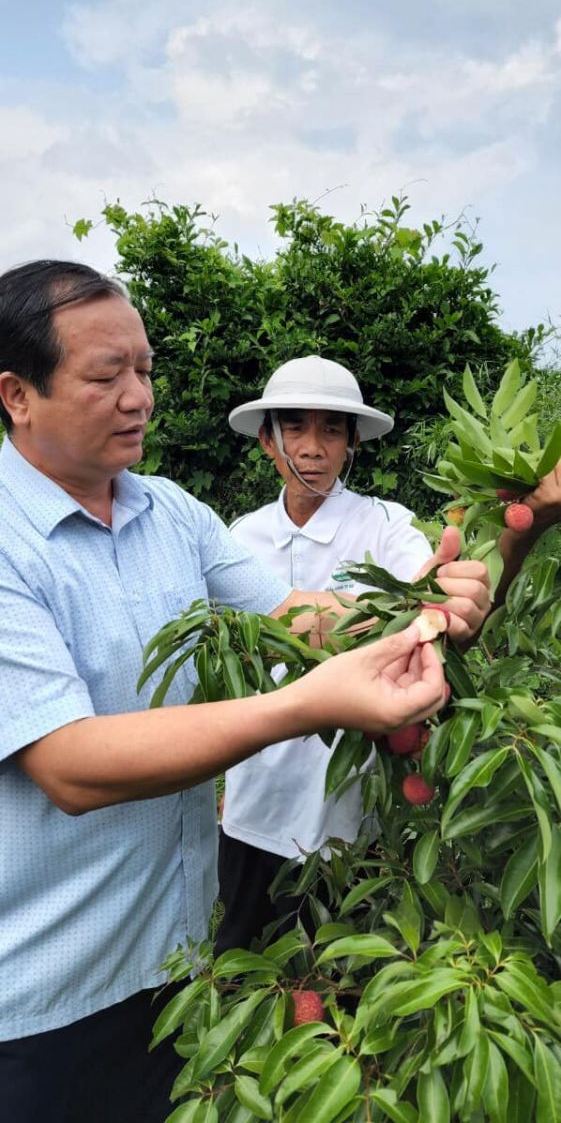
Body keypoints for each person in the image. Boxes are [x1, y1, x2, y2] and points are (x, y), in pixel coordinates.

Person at [0, 262, 449, 1123]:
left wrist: (419, 605)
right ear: (18, 395)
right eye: (106, 377)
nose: (139, 398)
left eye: (146, 371)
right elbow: (70, 764)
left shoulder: (169, 512)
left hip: (176, 970)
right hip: (44, 996)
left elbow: (290, 617)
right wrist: (307, 704)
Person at [217, 355, 492, 952]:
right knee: (242, 966)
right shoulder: (240, 538)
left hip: (344, 813)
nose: (312, 447)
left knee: (336, 976)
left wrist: (449, 597)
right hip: (252, 799)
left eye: (332, 429)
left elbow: (427, 601)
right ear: (268, 441)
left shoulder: (384, 526)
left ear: (352, 446)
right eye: (295, 427)